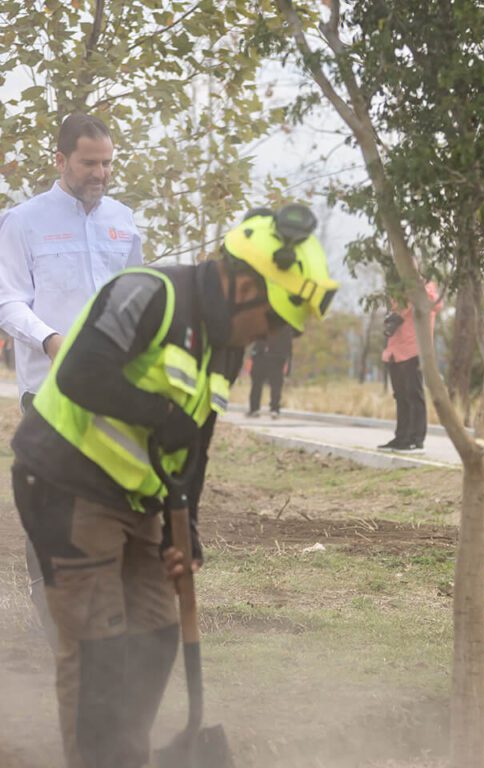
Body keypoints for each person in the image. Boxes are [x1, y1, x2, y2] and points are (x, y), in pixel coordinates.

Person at [10, 204, 337, 768]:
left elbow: (196, 439)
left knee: (157, 635)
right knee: (98, 653)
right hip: (65, 483)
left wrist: (185, 528)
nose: (273, 335)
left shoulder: (226, 346)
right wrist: (160, 415)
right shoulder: (147, 294)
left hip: (138, 500)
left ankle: (125, 754)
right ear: (243, 286)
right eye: (275, 319)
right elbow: (80, 373)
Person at [0, 113, 143, 646]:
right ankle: (57, 626)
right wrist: (51, 340)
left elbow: (138, 294)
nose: (100, 173)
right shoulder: (23, 221)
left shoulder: (124, 221)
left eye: (107, 163)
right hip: (50, 395)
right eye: (88, 163)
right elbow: (8, 300)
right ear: (60, 159)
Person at [377, 281, 441, 454]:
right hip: (395, 349)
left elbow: (435, 304)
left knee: (414, 394)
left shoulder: (426, 289)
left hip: (415, 348)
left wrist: (408, 296)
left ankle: (416, 440)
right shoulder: (398, 289)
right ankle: (401, 438)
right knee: (401, 396)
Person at [247, 325, 293, 418]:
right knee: (259, 384)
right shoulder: (267, 322)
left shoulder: (284, 326)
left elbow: (288, 345)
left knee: (274, 386)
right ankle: (256, 409)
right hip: (263, 357)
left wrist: (287, 362)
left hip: (275, 359)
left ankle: (272, 409)